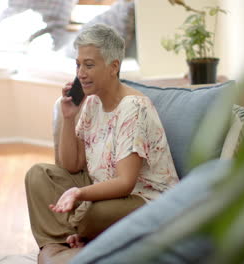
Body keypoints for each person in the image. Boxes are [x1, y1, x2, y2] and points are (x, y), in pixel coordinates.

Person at [25, 24, 179, 261]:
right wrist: (69, 117)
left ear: (113, 66)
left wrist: (79, 193)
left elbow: (126, 183)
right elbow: (72, 165)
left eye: (89, 65)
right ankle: (67, 242)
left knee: (94, 212)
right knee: (38, 175)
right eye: (78, 65)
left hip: (144, 201)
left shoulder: (133, 108)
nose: (80, 73)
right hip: (102, 187)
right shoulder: (92, 101)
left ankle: (72, 238)